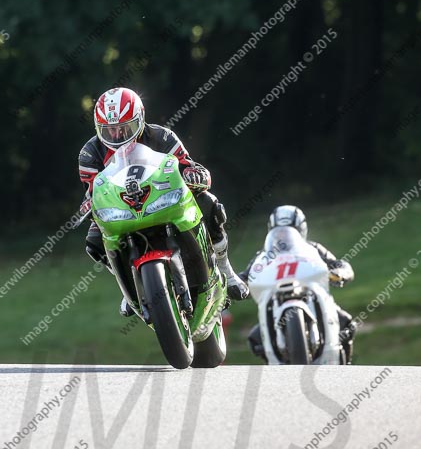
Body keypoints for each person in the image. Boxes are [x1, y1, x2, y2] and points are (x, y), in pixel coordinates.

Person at [78, 87, 248, 315]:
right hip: (122, 209)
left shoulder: (162, 136)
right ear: (99, 129)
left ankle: (226, 268)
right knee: (94, 240)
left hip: (163, 199)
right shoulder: (89, 154)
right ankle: (128, 286)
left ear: (140, 120)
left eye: (124, 128)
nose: (118, 136)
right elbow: (94, 193)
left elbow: (189, 166)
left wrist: (195, 175)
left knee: (209, 203)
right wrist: (88, 205)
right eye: (110, 131)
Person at [240, 205, 356, 363]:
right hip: (276, 298)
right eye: (279, 230)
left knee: (347, 324)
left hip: (309, 293)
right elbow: (244, 276)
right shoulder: (262, 257)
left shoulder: (313, 249)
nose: (284, 235)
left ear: (300, 229)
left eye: (289, 230)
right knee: (255, 339)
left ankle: (346, 366)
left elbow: (338, 264)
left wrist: (340, 272)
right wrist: (236, 285)